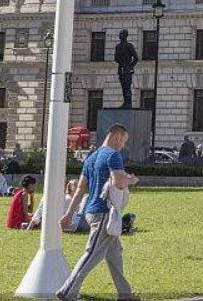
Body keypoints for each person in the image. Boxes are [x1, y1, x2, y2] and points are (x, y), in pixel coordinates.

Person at [56, 123, 140, 301]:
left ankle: (126, 295)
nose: (123, 146)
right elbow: (118, 182)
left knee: (115, 254)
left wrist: (69, 214)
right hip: (104, 213)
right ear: (117, 137)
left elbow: (80, 189)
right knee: (92, 253)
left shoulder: (91, 158)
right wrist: (131, 180)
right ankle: (67, 290)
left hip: (91, 210)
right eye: (124, 141)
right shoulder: (113, 155)